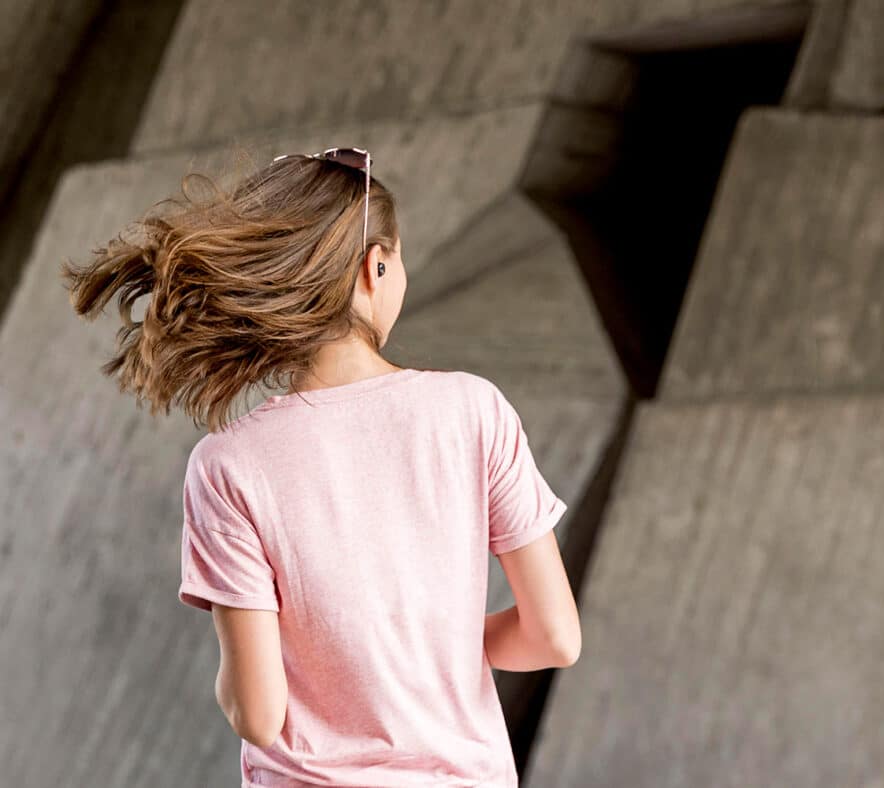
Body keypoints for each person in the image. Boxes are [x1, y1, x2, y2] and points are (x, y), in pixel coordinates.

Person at [59, 146, 581, 787]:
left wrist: (310, 661)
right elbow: (554, 636)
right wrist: (425, 643)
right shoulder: (476, 411)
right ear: (374, 266)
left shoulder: (227, 465)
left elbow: (257, 714)